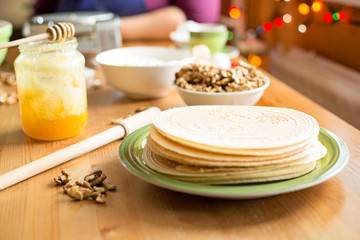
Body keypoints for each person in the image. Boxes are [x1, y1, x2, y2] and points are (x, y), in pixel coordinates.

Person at [33, 0, 221, 40]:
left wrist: (98, 31)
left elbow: (199, 22)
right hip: (60, 49)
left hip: (142, 58)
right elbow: (37, 18)